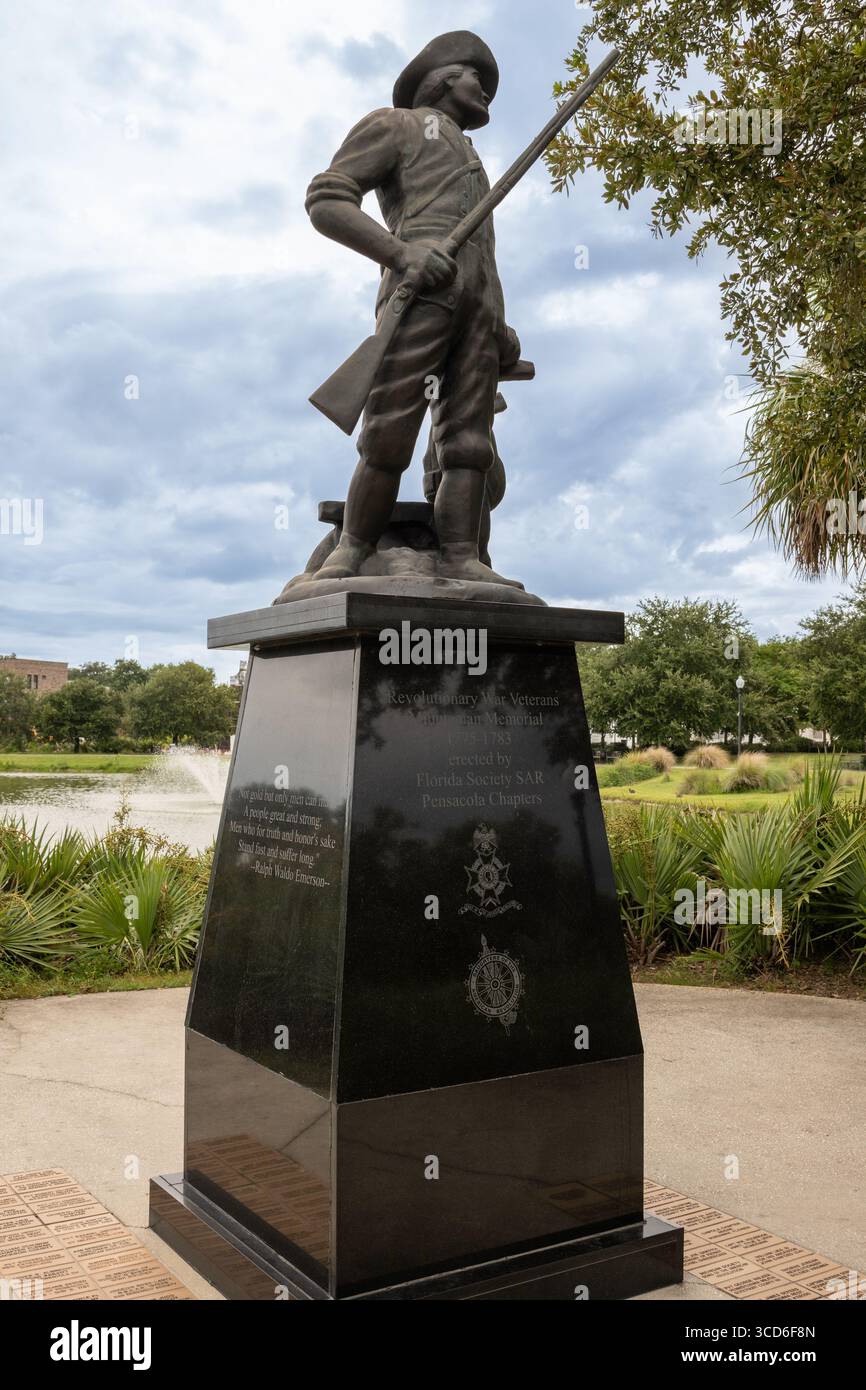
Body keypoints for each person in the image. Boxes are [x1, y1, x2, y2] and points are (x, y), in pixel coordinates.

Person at [304, 30, 522, 586]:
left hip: (478, 304)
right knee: (389, 430)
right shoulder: (396, 124)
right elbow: (327, 200)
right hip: (420, 293)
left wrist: (497, 322)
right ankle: (351, 552)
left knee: (468, 441)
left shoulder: (472, 158)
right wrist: (401, 252)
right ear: (446, 78)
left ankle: (461, 557)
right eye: (479, 78)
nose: (487, 92)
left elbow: (484, 253)